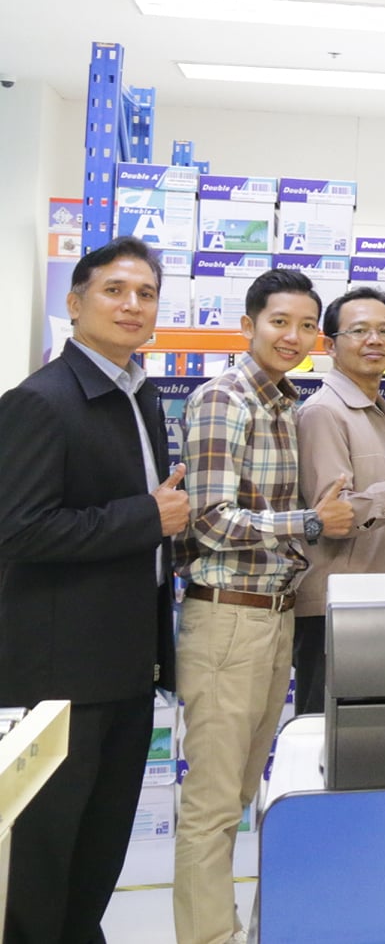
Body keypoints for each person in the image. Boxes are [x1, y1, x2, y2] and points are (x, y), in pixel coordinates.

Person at [0, 239, 185, 944]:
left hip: (129, 665)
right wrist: (147, 518)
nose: (132, 304)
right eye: (114, 290)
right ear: (75, 304)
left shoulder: (142, 395)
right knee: (44, 856)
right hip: (59, 674)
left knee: (99, 853)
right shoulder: (39, 402)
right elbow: (18, 530)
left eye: (146, 293)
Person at [173, 267, 353, 944]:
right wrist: (310, 521)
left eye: (306, 325)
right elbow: (211, 520)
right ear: (249, 323)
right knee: (213, 806)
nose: (293, 336)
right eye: (280, 322)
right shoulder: (225, 398)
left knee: (247, 795)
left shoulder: (283, 402)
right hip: (227, 617)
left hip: (271, 616)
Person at [293, 285, 385, 713]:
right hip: (336, 608)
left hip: (377, 599)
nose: (374, 340)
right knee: (327, 731)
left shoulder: (374, 409)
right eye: (359, 331)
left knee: (371, 730)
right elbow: (328, 515)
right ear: (330, 346)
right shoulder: (324, 412)